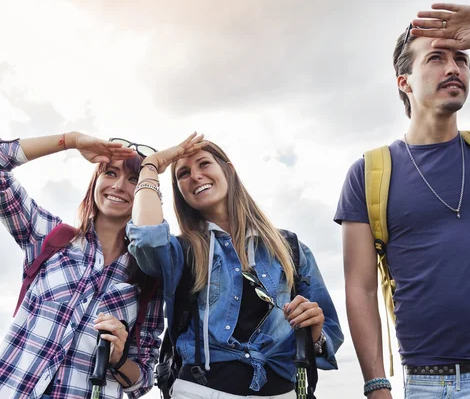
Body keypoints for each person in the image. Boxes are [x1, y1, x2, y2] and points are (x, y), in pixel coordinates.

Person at [334, 3, 470, 399]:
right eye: (436, 58)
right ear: (403, 82)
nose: (453, 68)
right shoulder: (369, 174)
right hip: (438, 384)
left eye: (462, 59)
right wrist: (376, 386)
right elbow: (360, 288)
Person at [127, 134, 344, 398]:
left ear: (228, 169)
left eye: (204, 164)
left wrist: (316, 332)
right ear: (180, 191)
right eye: (183, 173)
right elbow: (147, 237)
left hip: (285, 391)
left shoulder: (290, 247)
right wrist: (150, 166)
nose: (195, 176)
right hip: (201, 390)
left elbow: (329, 332)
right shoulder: (181, 251)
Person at [0, 132, 163, 398]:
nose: (119, 186)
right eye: (110, 173)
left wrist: (118, 358)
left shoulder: (149, 276)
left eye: (134, 180)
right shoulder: (47, 236)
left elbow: (142, 381)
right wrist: (71, 141)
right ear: (95, 180)